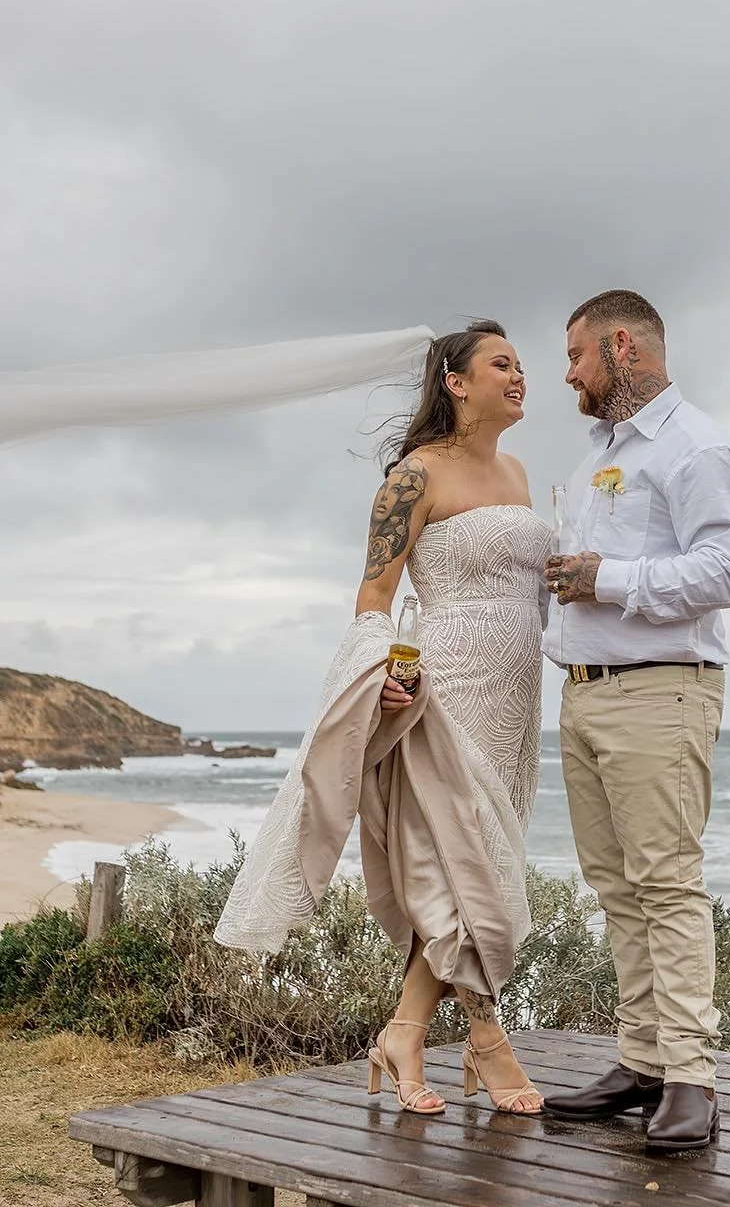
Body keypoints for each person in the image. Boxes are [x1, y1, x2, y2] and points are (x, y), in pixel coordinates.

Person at [215, 320, 548, 1116]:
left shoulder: (520, 472)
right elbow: (374, 596)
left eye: (522, 365)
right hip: (443, 691)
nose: (520, 375)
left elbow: (524, 589)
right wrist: (384, 680)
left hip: (516, 696)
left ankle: (403, 1034)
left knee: (469, 867)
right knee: (465, 873)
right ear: (456, 382)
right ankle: (485, 1040)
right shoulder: (412, 475)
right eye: (502, 364)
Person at [541, 290, 730, 1155]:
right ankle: (642, 1061)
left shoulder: (698, 445)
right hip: (585, 691)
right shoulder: (601, 451)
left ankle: (692, 1080)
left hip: (661, 690)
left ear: (621, 346)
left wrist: (609, 578)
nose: (567, 375)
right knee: (614, 887)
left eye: (575, 357)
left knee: (665, 883)